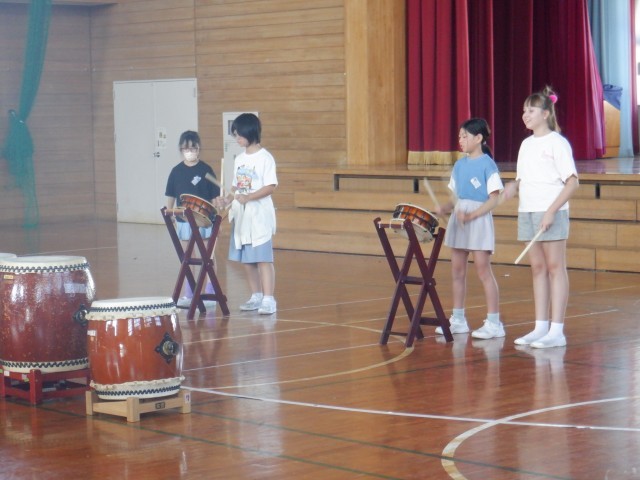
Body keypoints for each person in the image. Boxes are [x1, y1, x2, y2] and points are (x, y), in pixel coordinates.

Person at [502, 86, 579, 349]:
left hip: (551, 212)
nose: (525, 115)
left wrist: (551, 211)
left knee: (555, 267)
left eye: (531, 110)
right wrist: (513, 187)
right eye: (524, 110)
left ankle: (557, 331)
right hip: (527, 211)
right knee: (537, 268)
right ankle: (540, 327)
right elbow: (522, 179)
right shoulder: (525, 145)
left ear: (545, 113)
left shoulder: (558, 142)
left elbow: (572, 182)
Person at [433, 118, 504, 340]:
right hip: (460, 219)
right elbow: (456, 198)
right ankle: (458, 319)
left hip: (478, 220)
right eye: (460, 136)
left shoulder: (488, 165)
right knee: (457, 271)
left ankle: (494, 323)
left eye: (465, 136)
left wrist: (472, 215)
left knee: (483, 270)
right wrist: (445, 208)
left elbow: (494, 199)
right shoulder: (459, 165)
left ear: (479, 138)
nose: (461, 140)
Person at [215, 113, 278, 315]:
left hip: (259, 217)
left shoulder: (265, 158)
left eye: (239, 134)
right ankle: (256, 296)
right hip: (242, 217)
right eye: (235, 135)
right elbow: (236, 186)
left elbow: (270, 186)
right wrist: (227, 199)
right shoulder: (240, 159)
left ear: (250, 132)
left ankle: (268, 299)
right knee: (248, 259)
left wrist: (249, 197)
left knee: (263, 259)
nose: (237, 139)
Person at [165, 130, 220, 308]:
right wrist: (170, 213)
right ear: (181, 150)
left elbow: (215, 197)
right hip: (184, 221)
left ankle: (210, 292)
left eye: (193, 148)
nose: (190, 152)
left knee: (208, 256)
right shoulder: (176, 172)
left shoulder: (206, 170)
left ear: (199, 149)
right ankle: (189, 293)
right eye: (186, 149)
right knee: (188, 257)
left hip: (205, 220)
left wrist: (217, 212)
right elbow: (170, 195)